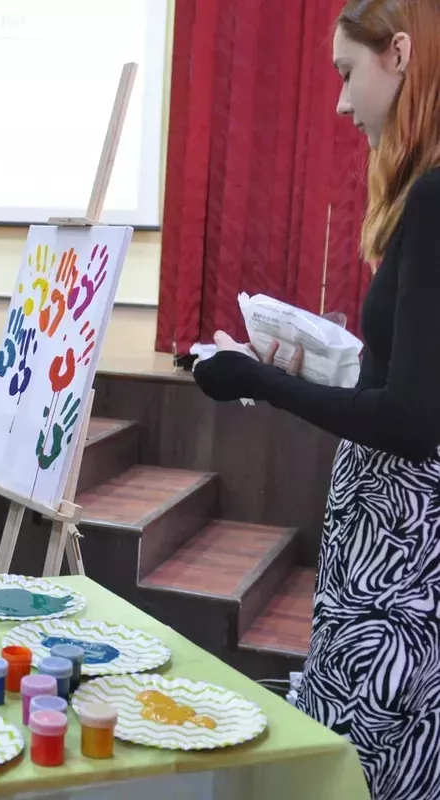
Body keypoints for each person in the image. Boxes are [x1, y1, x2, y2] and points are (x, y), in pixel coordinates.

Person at [192, 2, 440, 797]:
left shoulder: (434, 199)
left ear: (398, 54)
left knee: (364, 776)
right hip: (391, 562)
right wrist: (317, 368)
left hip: (397, 570)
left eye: (345, 73)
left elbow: (411, 421)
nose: (339, 102)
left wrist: (256, 379)